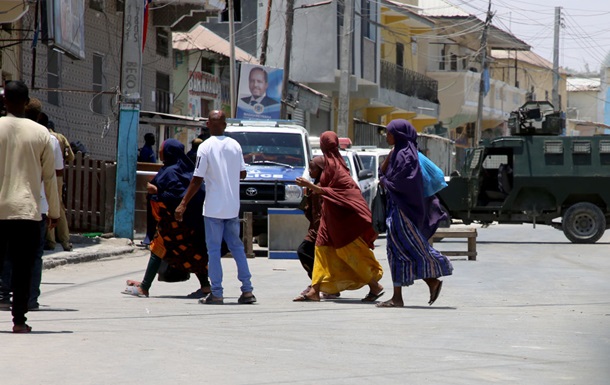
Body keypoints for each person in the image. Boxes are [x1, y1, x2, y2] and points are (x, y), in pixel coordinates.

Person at [175, 110, 256, 305]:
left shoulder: (205, 147)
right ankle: (247, 290)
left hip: (213, 208)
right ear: (225, 125)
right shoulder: (235, 145)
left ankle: (217, 292)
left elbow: (197, 179)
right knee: (237, 248)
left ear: (208, 125)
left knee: (213, 250)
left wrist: (183, 203)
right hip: (231, 206)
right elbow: (242, 174)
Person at [293, 131, 384, 302]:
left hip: (342, 223)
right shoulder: (329, 164)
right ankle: (315, 290)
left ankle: (374, 285)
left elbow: (343, 192)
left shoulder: (337, 168)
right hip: (329, 221)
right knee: (321, 252)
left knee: (351, 257)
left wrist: (312, 187)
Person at [0, 81, 60, 333]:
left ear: (4, 101)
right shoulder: (41, 134)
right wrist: (54, 213)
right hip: (26, 211)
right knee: (23, 268)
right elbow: (50, 178)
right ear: (26, 102)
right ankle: (19, 321)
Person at [376, 119, 453, 308]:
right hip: (395, 210)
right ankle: (402, 295)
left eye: (390, 133)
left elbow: (405, 183)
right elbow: (382, 173)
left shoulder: (406, 156)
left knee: (410, 248)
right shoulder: (397, 154)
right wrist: (387, 161)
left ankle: (436, 270)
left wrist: (386, 182)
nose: (387, 136)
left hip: (403, 211)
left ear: (399, 135)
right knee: (396, 252)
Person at [123, 139, 213, 298]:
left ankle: (144, 287)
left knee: (158, 249)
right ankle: (205, 287)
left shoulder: (171, 171)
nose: (159, 152)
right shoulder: (186, 169)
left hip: (174, 224)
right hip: (189, 224)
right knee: (192, 253)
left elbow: (176, 196)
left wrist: (155, 191)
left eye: (162, 149)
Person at [38, 113, 74, 252]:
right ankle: (65, 241)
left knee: (45, 206)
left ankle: (51, 241)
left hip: (41, 174)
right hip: (56, 175)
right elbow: (70, 157)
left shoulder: (44, 137)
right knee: (57, 207)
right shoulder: (59, 137)